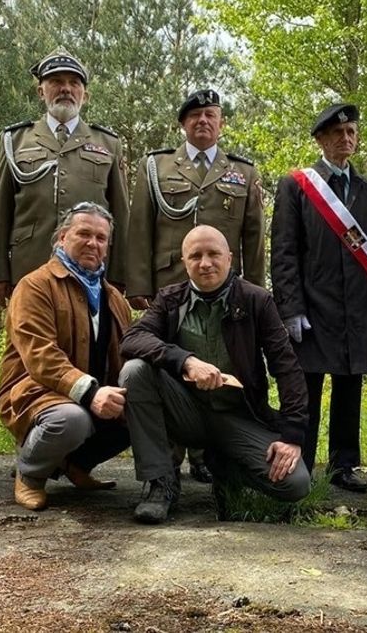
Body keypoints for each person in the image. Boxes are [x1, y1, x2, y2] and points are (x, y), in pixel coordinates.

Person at [120, 226, 310, 524]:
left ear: (229, 258)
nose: (205, 262)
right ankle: (161, 483)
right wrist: (186, 362)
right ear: (185, 262)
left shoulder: (257, 301)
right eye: (195, 256)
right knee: (134, 371)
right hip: (186, 413)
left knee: (295, 483)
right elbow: (133, 339)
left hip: (239, 417)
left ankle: (225, 467)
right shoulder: (170, 299)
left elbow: (287, 368)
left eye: (213, 254)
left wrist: (292, 435)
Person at [125, 88, 267, 484]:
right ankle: (168, 453)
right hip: (168, 286)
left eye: (211, 114)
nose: (203, 121)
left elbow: (253, 238)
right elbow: (140, 229)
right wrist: (138, 282)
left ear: (221, 123)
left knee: (216, 363)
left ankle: (206, 452)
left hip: (225, 293)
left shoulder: (243, 173)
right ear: (183, 124)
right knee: (168, 365)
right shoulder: (155, 168)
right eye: (194, 116)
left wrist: (254, 293)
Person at [270, 103, 367, 492]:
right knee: (304, 386)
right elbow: (285, 251)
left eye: (352, 132)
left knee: (348, 386)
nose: (346, 139)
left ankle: (343, 465)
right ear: (321, 139)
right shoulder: (297, 185)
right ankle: (301, 460)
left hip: (357, 306)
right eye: (337, 133)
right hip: (313, 305)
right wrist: (289, 308)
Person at [0, 203, 132, 510]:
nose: (92, 243)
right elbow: (40, 356)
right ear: (61, 238)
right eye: (83, 234)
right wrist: (91, 393)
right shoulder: (35, 286)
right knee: (72, 420)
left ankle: (76, 465)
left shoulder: (114, 297)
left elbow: (128, 354)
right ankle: (30, 474)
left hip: (90, 393)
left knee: (144, 409)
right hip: (36, 393)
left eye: (100, 238)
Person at [0, 50, 129, 306]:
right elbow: (0, 209)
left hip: (91, 267)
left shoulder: (107, 143)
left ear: (85, 94)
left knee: (87, 342)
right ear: (41, 91)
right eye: (56, 82)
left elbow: (120, 211)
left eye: (74, 83)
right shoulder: (15, 140)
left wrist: (119, 274)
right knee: (26, 341)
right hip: (28, 264)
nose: (66, 89)